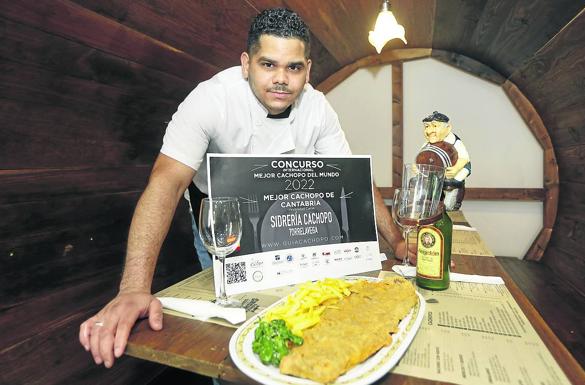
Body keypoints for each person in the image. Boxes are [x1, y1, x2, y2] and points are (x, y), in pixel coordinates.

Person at [79, 8, 407, 369]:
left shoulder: (318, 109)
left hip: (288, 217)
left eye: (294, 68)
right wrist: (133, 289)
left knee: (294, 308)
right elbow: (167, 182)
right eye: (268, 65)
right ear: (246, 63)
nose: (281, 79)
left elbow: (356, 180)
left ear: (308, 70)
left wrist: (397, 240)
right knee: (227, 326)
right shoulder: (210, 100)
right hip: (222, 223)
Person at [420, 111, 471, 210]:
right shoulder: (428, 143)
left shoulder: (455, 142)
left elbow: (464, 158)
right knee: (429, 195)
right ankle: (431, 208)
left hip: (451, 178)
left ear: (448, 128)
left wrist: (456, 168)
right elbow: (422, 156)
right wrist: (417, 167)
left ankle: (450, 208)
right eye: (427, 126)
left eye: (435, 126)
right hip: (435, 177)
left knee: (450, 194)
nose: (430, 131)